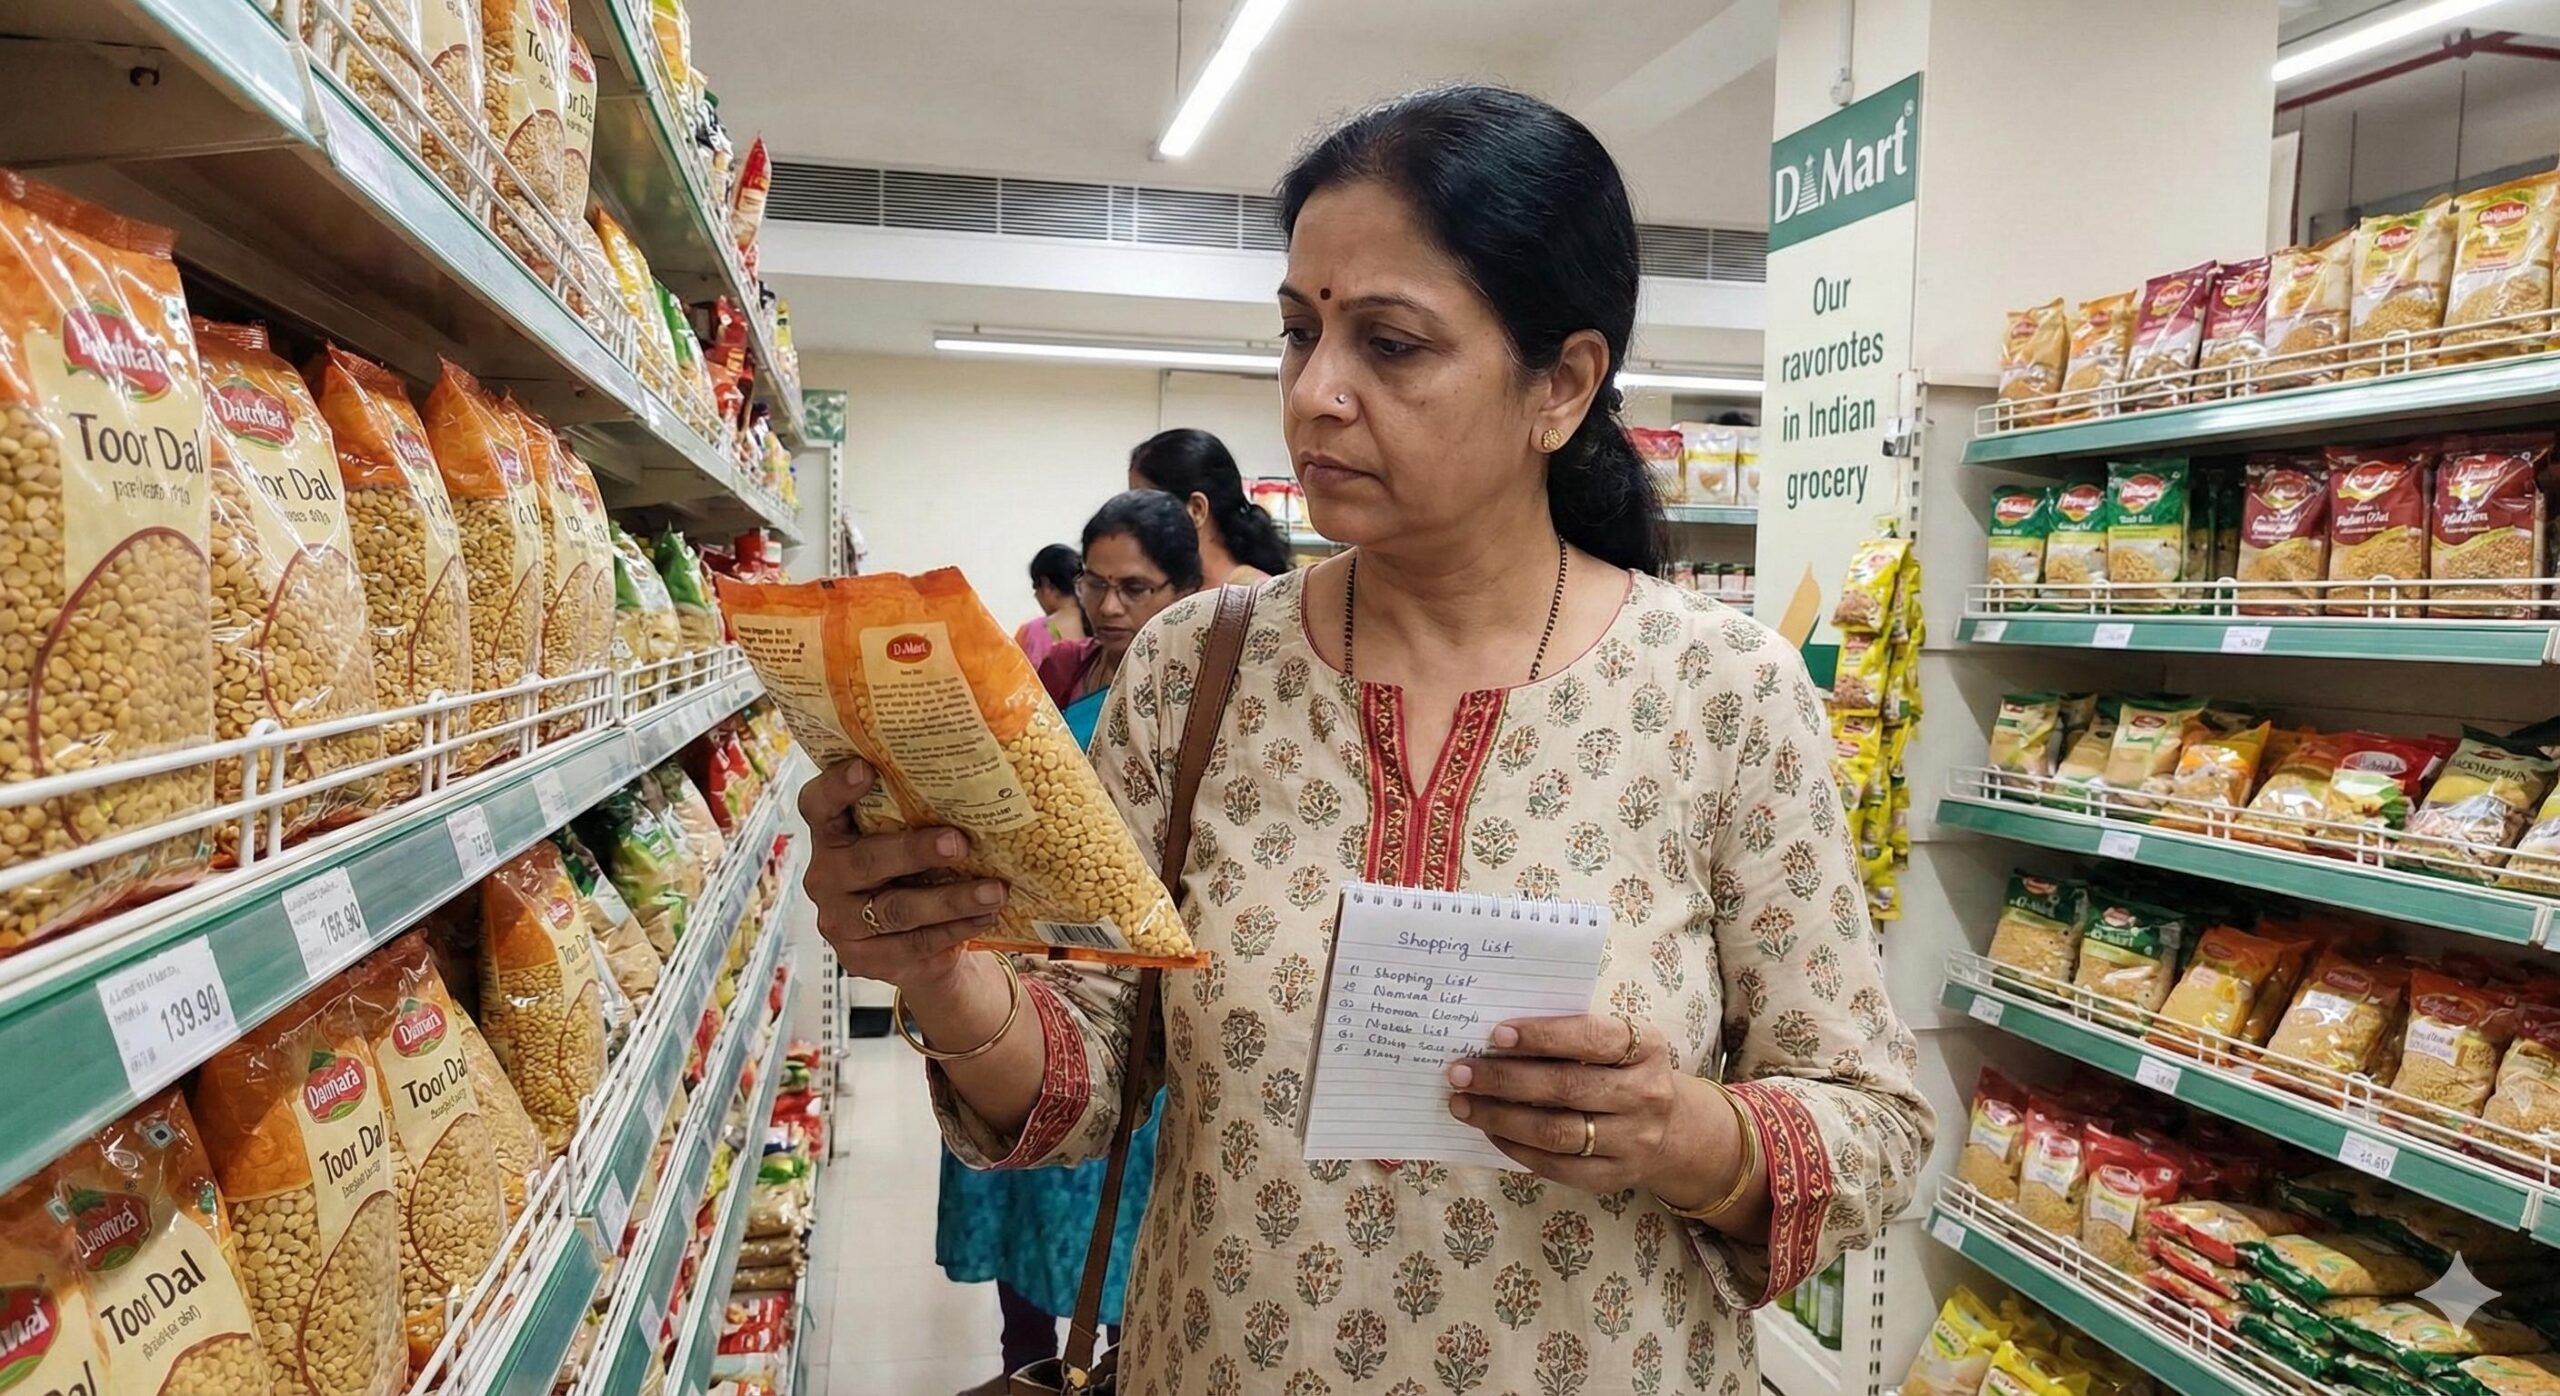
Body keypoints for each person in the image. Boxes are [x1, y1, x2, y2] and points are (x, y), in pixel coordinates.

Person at [805, 85, 1931, 1393]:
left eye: (1390, 345)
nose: (1315, 396)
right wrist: (943, 972)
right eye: (1298, 333)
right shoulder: (1195, 667)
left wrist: (1684, 1131)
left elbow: (1875, 1130)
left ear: (1559, 384)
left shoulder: (1723, 691)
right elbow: (1083, 1079)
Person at [933, 492, 1202, 1394]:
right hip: (1027, 984)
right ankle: (1027, 1364)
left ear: (1185, 590)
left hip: (1125, 1005)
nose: (1114, 606)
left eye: (1138, 587)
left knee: (1114, 1225)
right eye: (1099, 583)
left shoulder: (1198, 703)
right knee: (1019, 1184)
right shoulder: (1055, 676)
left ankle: (1121, 1364)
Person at [1128, 427, 1292, 584]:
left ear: (1196, 510)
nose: (1134, 521)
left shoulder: (1256, 596)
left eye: (1145, 505)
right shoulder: (1170, 590)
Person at [1011, 543, 1086, 670]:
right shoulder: (1100, 624)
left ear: (1046, 585)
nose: (1036, 595)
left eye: (1035, 587)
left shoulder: (1035, 631)